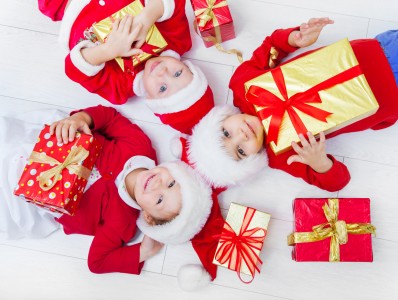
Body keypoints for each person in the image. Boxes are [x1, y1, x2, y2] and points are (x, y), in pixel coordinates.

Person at [174, 18, 398, 192]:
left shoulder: (243, 86)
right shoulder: (282, 155)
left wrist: (294, 39)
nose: (241, 135)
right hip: (390, 96)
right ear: (250, 161)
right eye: (241, 151)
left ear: (220, 118)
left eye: (226, 133)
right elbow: (337, 183)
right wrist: (320, 163)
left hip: (377, 48)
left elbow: (272, 46)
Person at [2, 105, 214, 276]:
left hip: (32, 196)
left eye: (159, 200)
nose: (158, 185)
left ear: (148, 217)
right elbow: (111, 118)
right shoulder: (140, 147)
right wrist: (82, 119)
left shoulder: (123, 222)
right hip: (46, 147)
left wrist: (143, 251)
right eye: (171, 183)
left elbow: (97, 262)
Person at [37, 0, 214, 134]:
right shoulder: (177, 42)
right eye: (178, 73)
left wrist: (109, 50)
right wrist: (147, 17)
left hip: (69, 7)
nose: (163, 72)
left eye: (162, 88)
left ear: (151, 99)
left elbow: (74, 69)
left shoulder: (121, 89)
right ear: (187, 66)